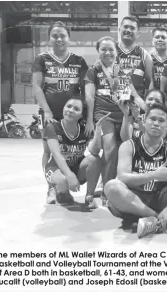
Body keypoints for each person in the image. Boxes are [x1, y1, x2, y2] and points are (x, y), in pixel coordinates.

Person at [104, 105, 167, 239]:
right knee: (111, 187)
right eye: (153, 119)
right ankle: (159, 219)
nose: (156, 123)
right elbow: (122, 177)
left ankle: (160, 217)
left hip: (161, 197)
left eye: (161, 121)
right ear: (144, 121)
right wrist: (153, 175)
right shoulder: (128, 146)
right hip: (135, 200)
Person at [32, 21, 89, 204]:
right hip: (48, 113)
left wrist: (86, 116)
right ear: (49, 39)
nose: (59, 39)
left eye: (62, 35)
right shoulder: (42, 59)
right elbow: (36, 86)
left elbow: (85, 90)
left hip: (72, 115)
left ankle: (67, 177)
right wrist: (47, 110)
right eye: (55, 35)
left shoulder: (78, 61)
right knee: (48, 151)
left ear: (69, 39)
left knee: (68, 150)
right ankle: (51, 187)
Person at [85, 36, 130, 204]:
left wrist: (130, 115)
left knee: (122, 151)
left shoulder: (123, 71)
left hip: (121, 115)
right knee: (110, 150)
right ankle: (105, 191)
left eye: (111, 49)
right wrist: (90, 120)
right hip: (103, 115)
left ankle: (111, 185)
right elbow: (89, 98)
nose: (107, 52)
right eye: (103, 49)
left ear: (116, 52)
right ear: (98, 52)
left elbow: (126, 96)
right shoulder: (93, 71)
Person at [43, 96, 104, 209]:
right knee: (64, 194)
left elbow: (94, 151)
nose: (70, 110)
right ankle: (53, 188)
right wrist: (69, 175)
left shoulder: (84, 129)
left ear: (81, 115)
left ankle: (89, 197)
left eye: (76, 109)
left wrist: (98, 130)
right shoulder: (52, 127)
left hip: (76, 169)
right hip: (55, 169)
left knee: (94, 159)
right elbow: (56, 154)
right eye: (68, 106)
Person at [115, 16, 154, 102]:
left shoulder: (145, 55)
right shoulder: (110, 51)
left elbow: (151, 82)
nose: (128, 30)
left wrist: (145, 103)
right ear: (119, 29)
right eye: (125, 27)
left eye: (132, 28)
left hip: (135, 106)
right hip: (112, 105)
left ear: (138, 34)